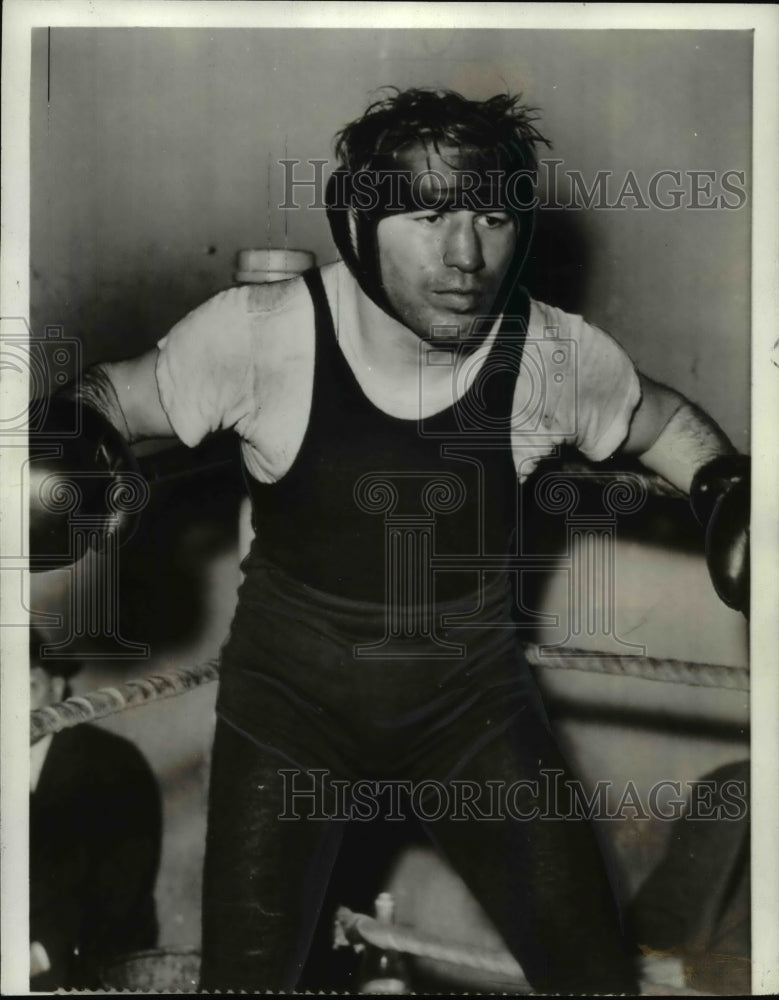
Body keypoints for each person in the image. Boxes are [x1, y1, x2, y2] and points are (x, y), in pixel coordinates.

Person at [29, 89, 749, 992]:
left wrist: (728, 488)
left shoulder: (547, 353)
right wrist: (63, 444)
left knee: (592, 976)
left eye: (492, 217)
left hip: (470, 712)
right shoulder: (265, 333)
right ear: (361, 221)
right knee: (246, 984)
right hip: (289, 712)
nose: (465, 256)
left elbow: (657, 420)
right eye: (429, 215)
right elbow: (116, 396)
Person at [29, 629, 162, 989]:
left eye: (26, 688)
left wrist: (36, 954)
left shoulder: (112, 764)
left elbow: (119, 895)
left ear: (57, 689)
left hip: (99, 972)